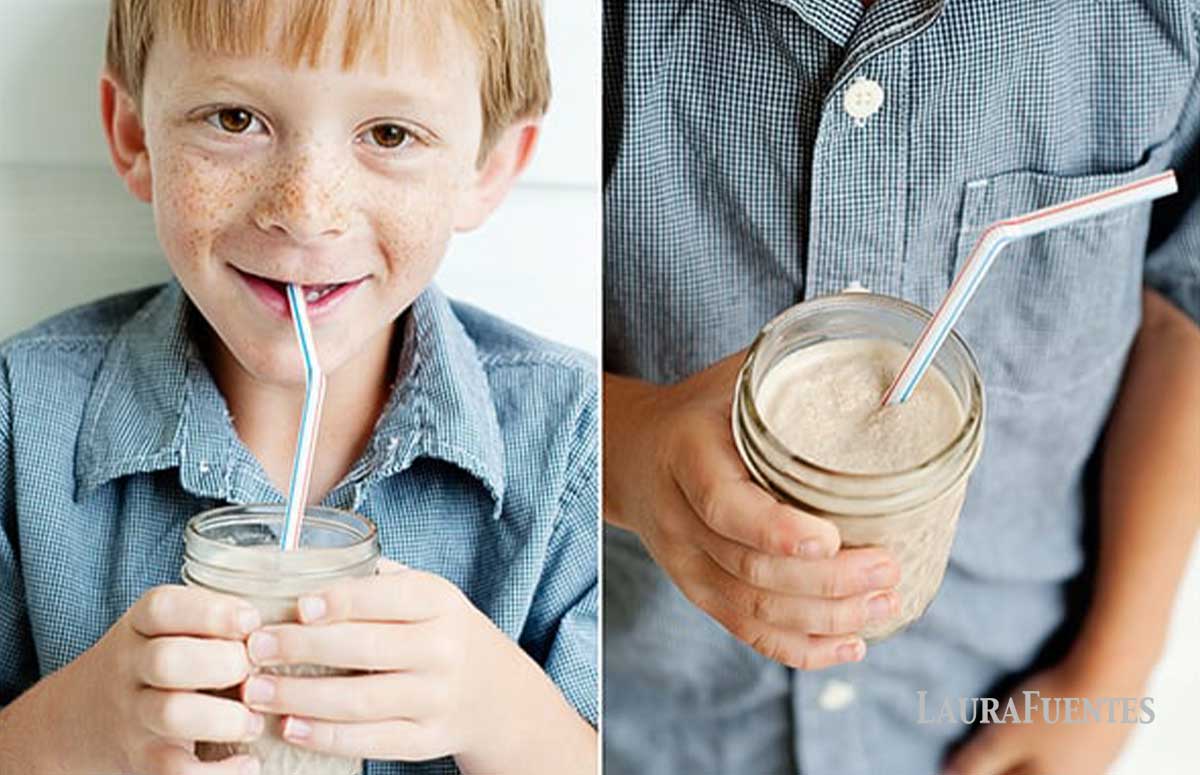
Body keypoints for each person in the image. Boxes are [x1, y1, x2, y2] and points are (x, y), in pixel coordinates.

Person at [602, 2, 1200, 774]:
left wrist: (1109, 676)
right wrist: (627, 449)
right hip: (647, 713)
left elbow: (1185, 305)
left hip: (994, 703)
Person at [0, 2, 597, 773]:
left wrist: (508, 716)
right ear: (133, 134)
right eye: (235, 117)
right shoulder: (20, 418)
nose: (305, 212)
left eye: (388, 134)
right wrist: (67, 733)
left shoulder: (572, 443)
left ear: (486, 169)